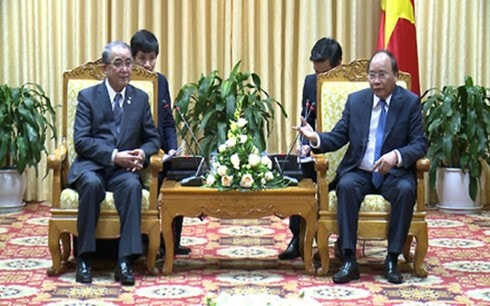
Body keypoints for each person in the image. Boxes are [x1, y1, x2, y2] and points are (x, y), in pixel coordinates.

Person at [295, 50, 427, 284]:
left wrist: (396, 156)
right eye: (372, 75)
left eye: (382, 75)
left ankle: (392, 259)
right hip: (360, 171)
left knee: (406, 191)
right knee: (346, 186)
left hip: (394, 173)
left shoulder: (409, 102)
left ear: (395, 76)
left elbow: (419, 144)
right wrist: (314, 137)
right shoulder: (357, 101)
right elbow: (338, 136)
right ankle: (348, 259)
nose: (376, 81)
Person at [68, 41, 160, 286]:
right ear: (106, 68)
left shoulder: (139, 99)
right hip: (93, 166)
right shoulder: (88, 97)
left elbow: (153, 138)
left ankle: (124, 260)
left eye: (128, 63)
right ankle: (85, 257)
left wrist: (143, 152)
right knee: (90, 184)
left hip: (123, 171)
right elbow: (81, 141)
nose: (125, 69)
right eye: (118, 64)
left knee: (132, 186)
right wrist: (113, 155)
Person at [278, 37, 343, 260]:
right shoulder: (309, 82)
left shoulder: (353, 86)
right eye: (316, 72)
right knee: (297, 175)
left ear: (338, 65)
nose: (319, 78)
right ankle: (298, 237)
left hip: (344, 151)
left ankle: (340, 241)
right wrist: (305, 146)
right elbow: (308, 119)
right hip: (317, 148)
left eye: (323, 72)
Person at [130, 29, 191, 256]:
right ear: (132, 57)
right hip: (137, 154)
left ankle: (171, 241)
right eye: (142, 58)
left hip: (160, 152)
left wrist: (173, 148)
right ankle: (147, 241)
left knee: (180, 177)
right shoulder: (125, 83)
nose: (148, 64)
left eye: (152, 58)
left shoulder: (160, 81)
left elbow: (167, 120)